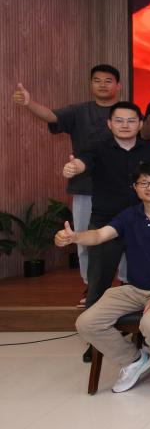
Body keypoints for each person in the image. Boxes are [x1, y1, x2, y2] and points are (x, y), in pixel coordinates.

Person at [62, 162, 150, 393]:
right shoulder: (129, 215)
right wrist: (76, 237)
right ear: (135, 187)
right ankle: (134, 360)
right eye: (144, 183)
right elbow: (100, 235)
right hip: (135, 289)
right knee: (86, 322)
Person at [13, 63, 120, 303]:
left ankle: (126, 284)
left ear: (118, 85)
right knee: (82, 238)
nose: (103, 85)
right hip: (85, 187)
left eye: (108, 80)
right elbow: (52, 116)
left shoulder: (125, 111)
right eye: (97, 80)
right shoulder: (79, 111)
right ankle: (91, 287)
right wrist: (29, 103)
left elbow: (145, 134)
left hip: (122, 188)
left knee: (127, 237)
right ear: (90, 84)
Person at [62, 102, 150, 307]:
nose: (125, 125)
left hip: (144, 222)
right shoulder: (97, 148)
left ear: (140, 124)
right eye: (119, 120)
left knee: (146, 278)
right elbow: (83, 161)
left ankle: (141, 321)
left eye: (131, 121)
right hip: (106, 221)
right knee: (98, 280)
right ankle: (93, 320)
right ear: (109, 124)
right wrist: (74, 167)